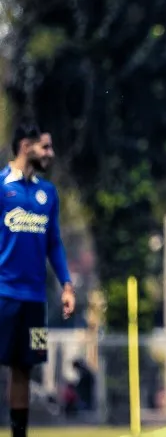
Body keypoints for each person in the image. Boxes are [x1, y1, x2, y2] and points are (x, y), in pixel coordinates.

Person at [0, 122, 75, 437]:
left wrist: (67, 285)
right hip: (3, 295)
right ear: (25, 146)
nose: (50, 153)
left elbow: (54, 243)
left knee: (25, 368)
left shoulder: (49, 192)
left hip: (35, 300)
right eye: (44, 146)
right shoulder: (2, 187)